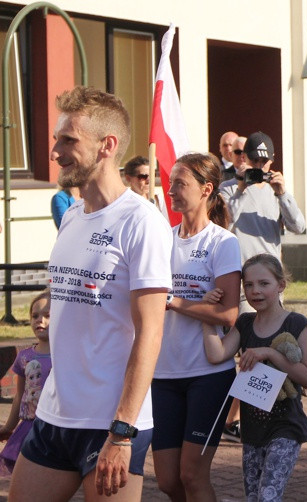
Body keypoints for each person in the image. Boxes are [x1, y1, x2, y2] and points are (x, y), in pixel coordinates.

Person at [10, 86, 172, 500]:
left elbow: (151, 332)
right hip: (54, 415)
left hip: (111, 423)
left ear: (107, 145)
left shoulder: (141, 222)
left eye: (68, 140)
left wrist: (121, 431)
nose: (55, 152)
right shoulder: (71, 218)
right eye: (56, 140)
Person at [151, 153, 241, 501]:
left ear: (206, 189)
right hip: (163, 374)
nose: (170, 190)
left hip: (208, 375)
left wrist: (174, 302)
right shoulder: (162, 239)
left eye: (180, 183)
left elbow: (228, 315)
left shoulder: (222, 242)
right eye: (170, 182)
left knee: (192, 476)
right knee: (167, 481)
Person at [202, 254, 307, 502]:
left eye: (264, 283)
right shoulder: (245, 323)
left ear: (281, 285)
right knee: (253, 497)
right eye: (249, 285)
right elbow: (216, 354)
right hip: (252, 431)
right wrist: (207, 315)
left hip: (286, 427)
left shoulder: (295, 323)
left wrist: (270, 353)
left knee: (268, 497)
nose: (256, 291)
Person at [220, 131, 306, 264]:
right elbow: (223, 225)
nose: (259, 166)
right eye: (255, 160)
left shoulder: (276, 190)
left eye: (264, 161)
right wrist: (241, 189)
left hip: (270, 269)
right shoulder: (228, 188)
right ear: (244, 157)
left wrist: (282, 195)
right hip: (240, 268)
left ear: (272, 159)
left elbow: (298, 227)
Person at [0, 290, 52, 476]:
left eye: (47, 316)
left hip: (55, 429)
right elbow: (19, 396)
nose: (40, 320)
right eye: (35, 316)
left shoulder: (66, 356)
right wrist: (9, 427)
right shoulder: (24, 357)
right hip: (29, 428)